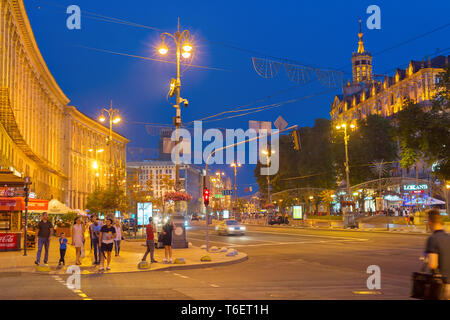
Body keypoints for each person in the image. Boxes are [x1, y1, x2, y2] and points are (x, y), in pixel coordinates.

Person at [423, 209, 449, 299]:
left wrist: (427, 259)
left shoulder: (433, 239)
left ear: (430, 222)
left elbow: (433, 264)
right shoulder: (448, 237)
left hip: (441, 285)